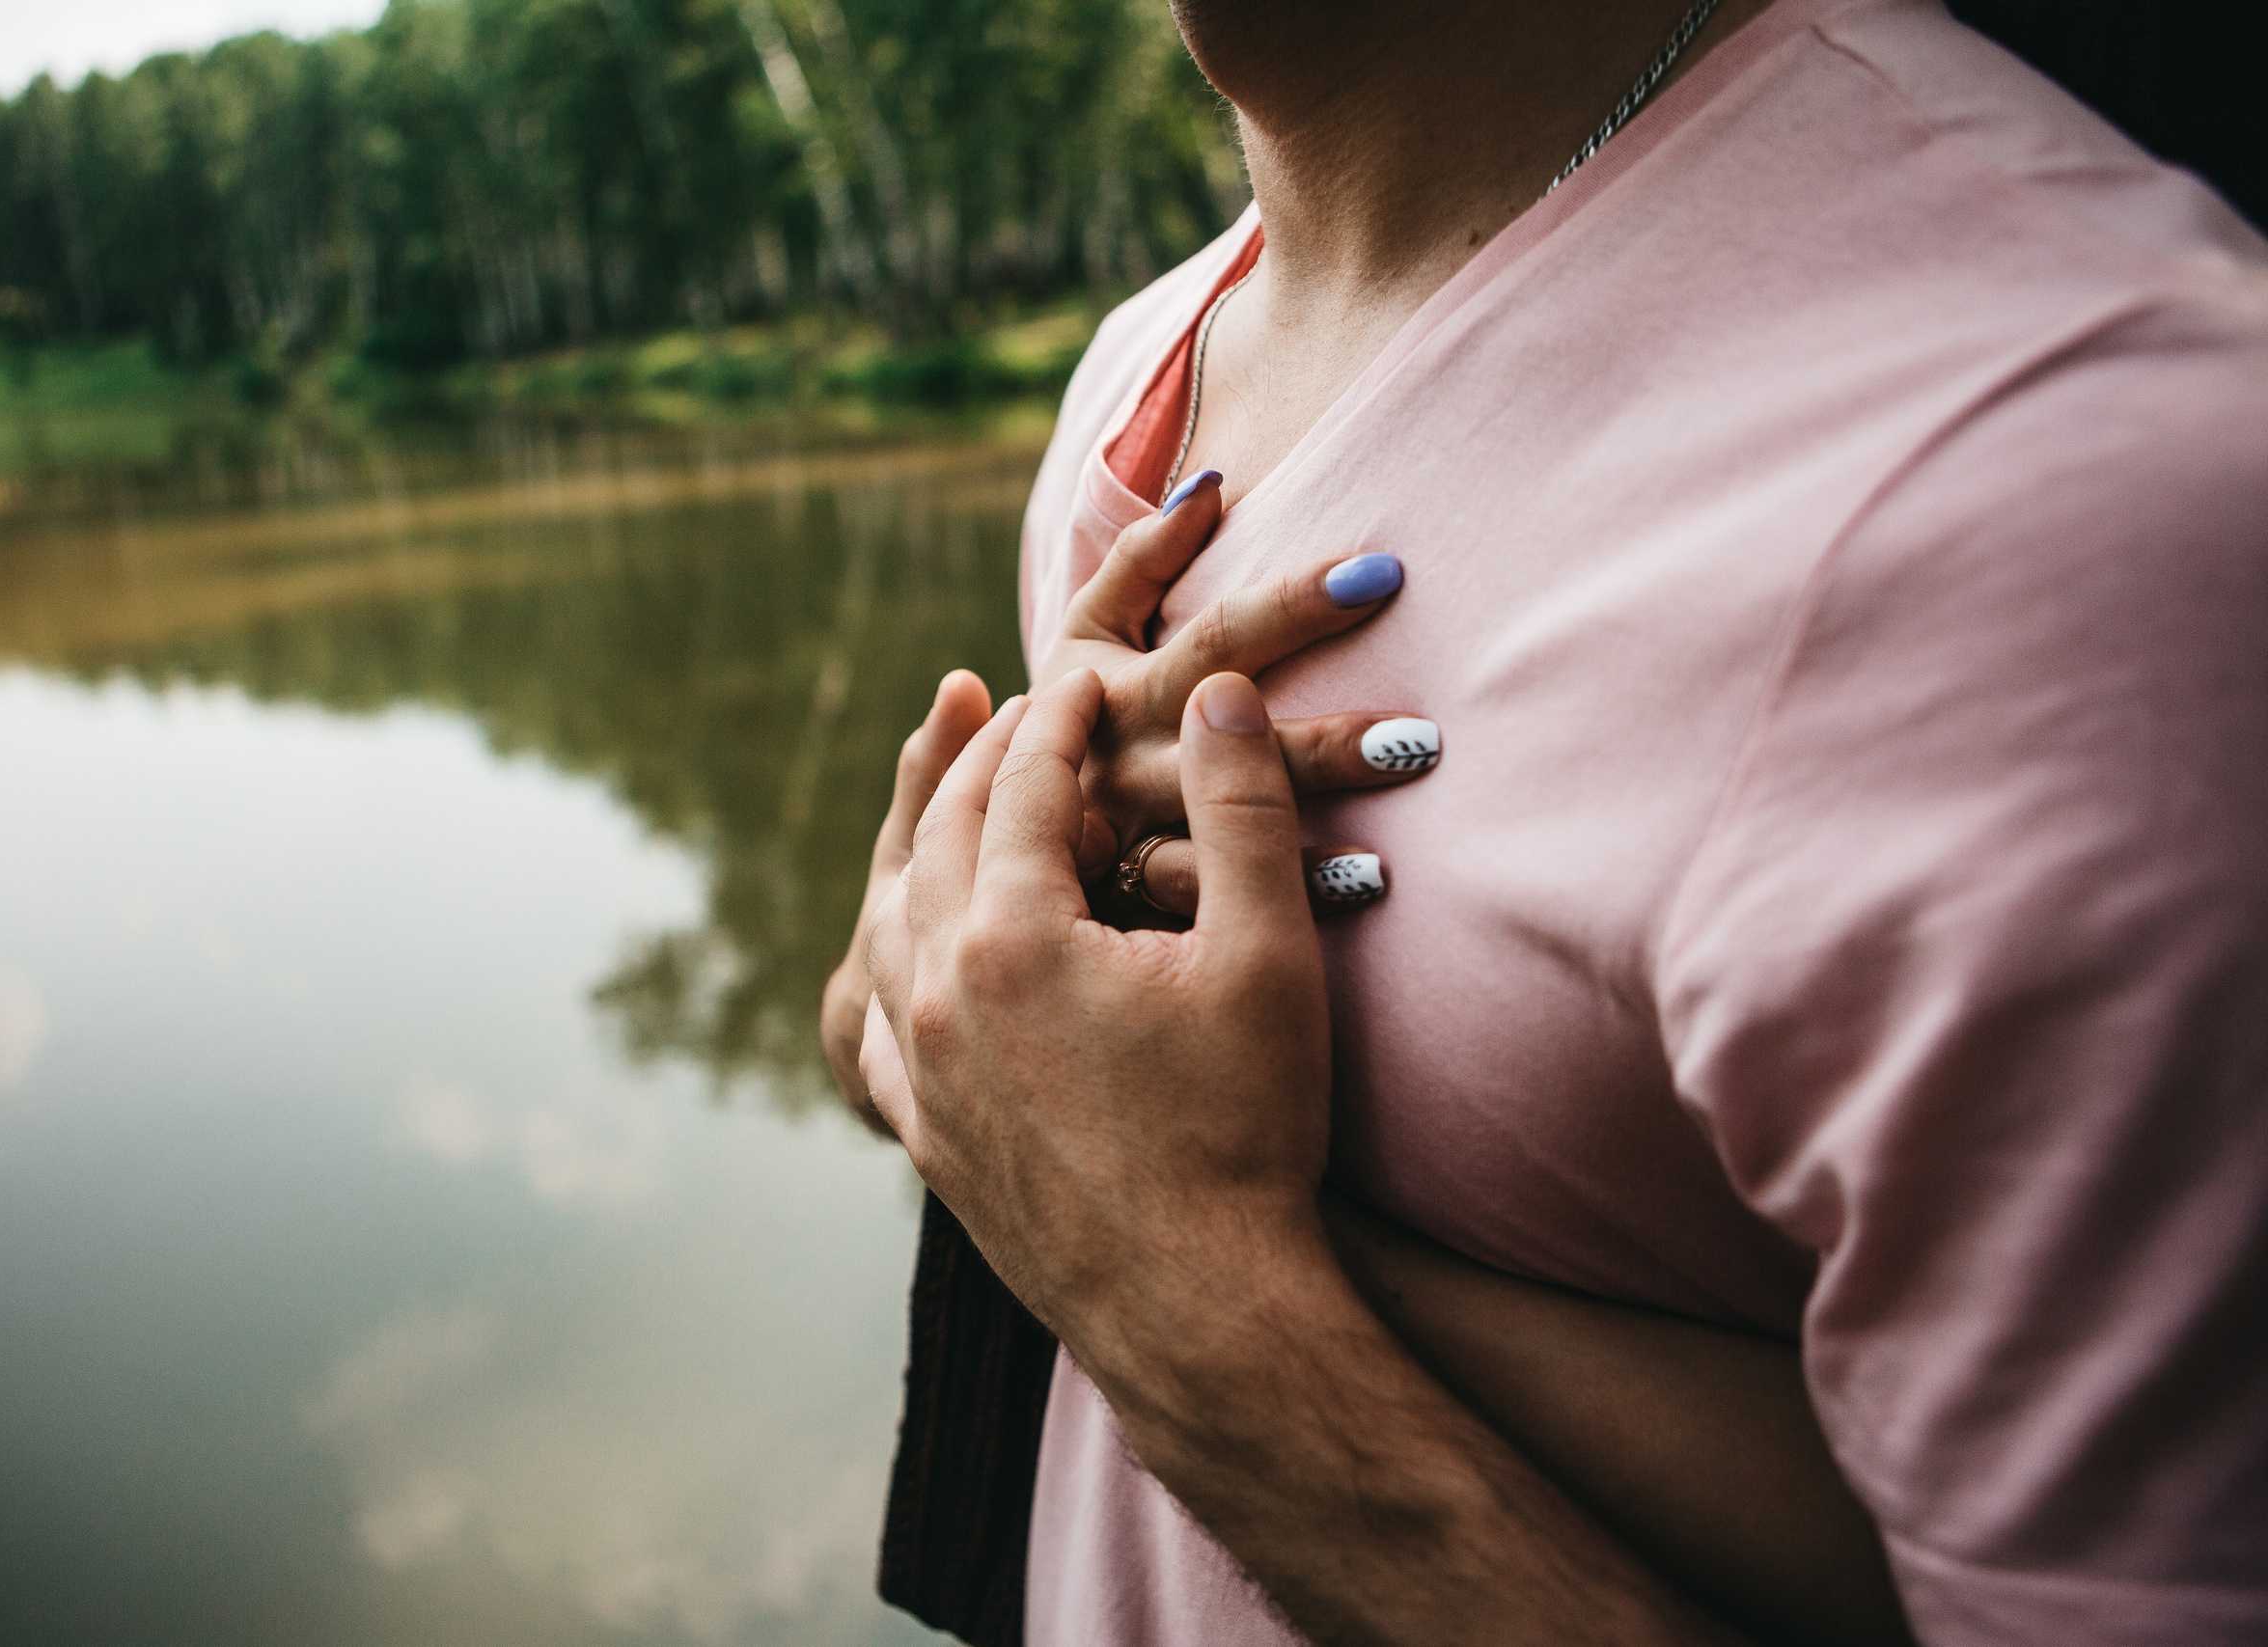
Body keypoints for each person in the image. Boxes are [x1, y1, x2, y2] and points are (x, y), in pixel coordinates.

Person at [824, 0, 2268, 1640]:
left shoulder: (2085, 500)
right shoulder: (1132, 377)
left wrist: (1187, 1293)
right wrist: (940, 1016)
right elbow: (1011, 1085)